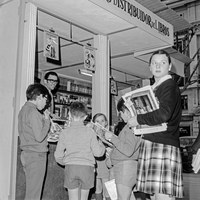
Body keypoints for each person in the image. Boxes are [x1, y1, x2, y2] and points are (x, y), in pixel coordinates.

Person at [128, 50, 183, 200]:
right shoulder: (158, 87)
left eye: (163, 63)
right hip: (155, 142)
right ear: (150, 67)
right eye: (154, 63)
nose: (158, 66)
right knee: (156, 196)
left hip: (162, 144)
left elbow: (164, 114)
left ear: (169, 66)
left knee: (162, 196)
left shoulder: (168, 85)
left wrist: (138, 119)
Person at [54, 102, 105, 200]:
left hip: (71, 168)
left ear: (69, 114)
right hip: (87, 169)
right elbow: (98, 153)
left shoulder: (65, 132)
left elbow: (58, 156)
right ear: (85, 116)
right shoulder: (90, 132)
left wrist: (66, 162)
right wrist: (101, 142)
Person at [18, 83, 51, 200]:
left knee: (31, 191)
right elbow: (39, 137)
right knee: (34, 194)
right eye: (45, 100)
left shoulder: (23, 110)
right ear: (39, 97)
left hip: (27, 154)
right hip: (36, 155)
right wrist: (47, 121)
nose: (46, 104)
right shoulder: (34, 112)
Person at [104, 98, 141, 200]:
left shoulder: (131, 126)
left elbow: (128, 150)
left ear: (125, 111)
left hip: (125, 168)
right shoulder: (133, 126)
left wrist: (112, 138)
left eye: (120, 113)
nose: (120, 116)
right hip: (127, 167)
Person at [92, 113, 111, 200]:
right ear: (93, 123)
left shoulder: (109, 135)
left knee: (107, 188)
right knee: (97, 188)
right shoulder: (92, 136)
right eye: (97, 121)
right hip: (95, 164)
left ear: (106, 123)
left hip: (105, 165)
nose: (100, 123)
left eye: (102, 121)